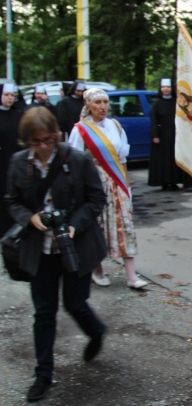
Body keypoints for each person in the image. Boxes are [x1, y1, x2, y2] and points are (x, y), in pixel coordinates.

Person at [4, 107, 107, 402]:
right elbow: (11, 201)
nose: (43, 146)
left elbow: (96, 198)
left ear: (56, 135)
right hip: (41, 250)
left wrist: (75, 225)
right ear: (26, 140)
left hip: (76, 245)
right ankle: (43, 374)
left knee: (75, 303)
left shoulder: (76, 159)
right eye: (36, 141)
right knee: (44, 312)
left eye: (48, 139)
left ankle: (96, 331)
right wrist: (29, 218)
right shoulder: (17, 163)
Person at [68, 88, 148, 289]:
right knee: (98, 227)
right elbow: (74, 162)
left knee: (125, 225)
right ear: (88, 105)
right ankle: (97, 270)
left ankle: (131, 276)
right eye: (97, 103)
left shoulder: (115, 126)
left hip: (117, 183)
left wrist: (127, 186)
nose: (102, 106)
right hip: (94, 184)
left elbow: (122, 159)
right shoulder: (80, 129)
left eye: (105, 102)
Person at [148, 78, 183, 191]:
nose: (166, 89)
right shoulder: (157, 104)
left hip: (175, 135)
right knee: (163, 160)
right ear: (161, 89)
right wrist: (155, 135)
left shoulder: (176, 102)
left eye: (168, 87)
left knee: (174, 158)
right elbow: (153, 121)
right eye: (164, 87)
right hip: (162, 136)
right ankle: (164, 182)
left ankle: (174, 181)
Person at [1, 83, 23, 238]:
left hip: (15, 160)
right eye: (7, 95)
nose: (10, 98)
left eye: (12, 95)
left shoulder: (18, 115)